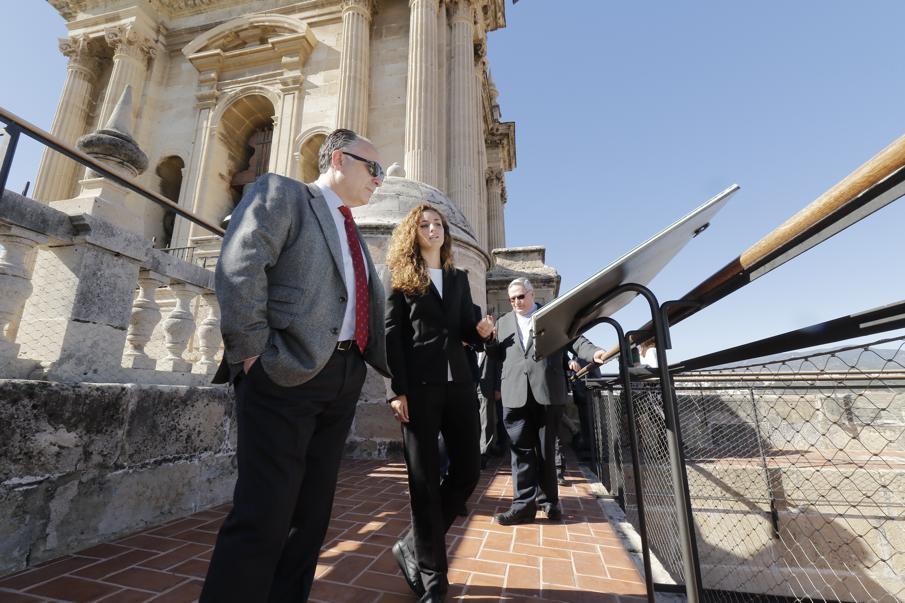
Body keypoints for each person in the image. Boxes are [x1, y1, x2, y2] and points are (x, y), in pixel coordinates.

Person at [202, 129, 389, 602]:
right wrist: (251, 356)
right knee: (264, 515)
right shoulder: (283, 193)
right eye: (375, 169)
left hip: (342, 377)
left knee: (310, 519)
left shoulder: (353, 232)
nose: (380, 182)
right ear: (340, 160)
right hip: (282, 372)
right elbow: (240, 266)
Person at [384, 203, 495, 602]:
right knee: (425, 484)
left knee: (467, 471)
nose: (433, 229)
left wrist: (483, 331)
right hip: (419, 389)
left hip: (460, 385)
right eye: (424, 225)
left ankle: (413, 544)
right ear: (413, 234)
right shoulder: (401, 278)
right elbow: (391, 336)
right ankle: (434, 580)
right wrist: (396, 391)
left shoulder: (459, 278)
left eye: (438, 224)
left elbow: (469, 328)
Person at [487, 278, 607, 525]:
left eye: (520, 296)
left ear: (531, 294)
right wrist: (488, 340)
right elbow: (496, 354)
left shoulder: (550, 314)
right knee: (520, 453)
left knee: (545, 451)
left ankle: (550, 502)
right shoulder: (503, 321)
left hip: (547, 392)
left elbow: (574, 339)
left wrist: (593, 353)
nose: (516, 302)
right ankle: (522, 506)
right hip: (515, 393)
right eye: (512, 299)